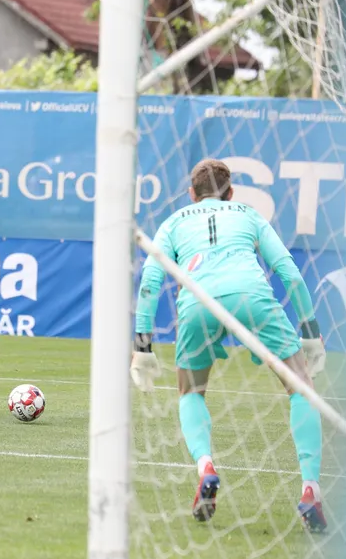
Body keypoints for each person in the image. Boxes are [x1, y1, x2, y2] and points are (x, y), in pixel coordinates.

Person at [131, 158, 328, 532]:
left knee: (191, 392)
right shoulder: (249, 215)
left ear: (192, 194)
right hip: (253, 297)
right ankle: (310, 490)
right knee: (301, 388)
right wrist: (310, 331)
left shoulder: (173, 222)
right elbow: (289, 272)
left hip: (198, 304)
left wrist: (142, 348)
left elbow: (150, 283)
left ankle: (206, 467)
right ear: (231, 192)